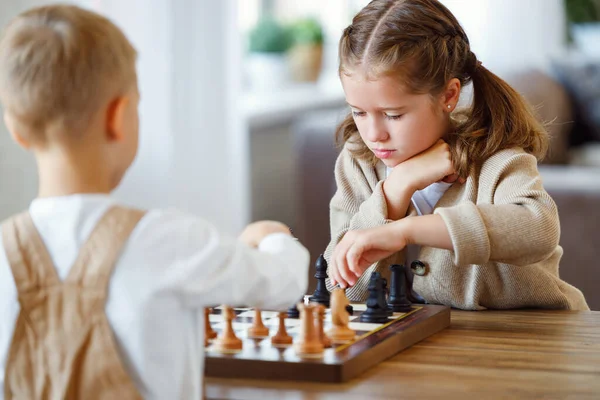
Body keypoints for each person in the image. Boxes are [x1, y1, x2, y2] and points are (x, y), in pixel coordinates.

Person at [0, 5, 309, 399]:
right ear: (119, 115)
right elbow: (285, 281)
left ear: (17, 131)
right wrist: (273, 237)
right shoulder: (167, 239)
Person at [324, 0, 588, 311]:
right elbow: (346, 288)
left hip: (532, 339)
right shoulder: (358, 162)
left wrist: (405, 231)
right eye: (359, 112)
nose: (373, 134)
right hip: (431, 343)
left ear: (449, 95)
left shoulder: (495, 155)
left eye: (393, 115)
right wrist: (396, 190)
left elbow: (538, 227)